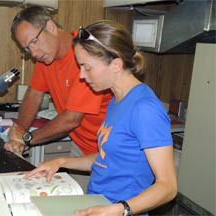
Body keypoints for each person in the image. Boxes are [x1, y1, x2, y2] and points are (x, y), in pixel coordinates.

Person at [24, 20, 178, 216]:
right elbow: (109, 158)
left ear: (116, 64)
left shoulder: (145, 109)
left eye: (87, 67)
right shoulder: (117, 101)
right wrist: (61, 162)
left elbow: (168, 186)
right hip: (97, 204)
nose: (81, 75)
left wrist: (119, 209)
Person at [4, 6, 112, 156]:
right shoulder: (46, 58)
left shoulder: (84, 55)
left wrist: (26, 138)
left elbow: (71, 119)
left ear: (51, 26)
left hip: (107, 151)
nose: (34, 53)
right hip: (80, 145)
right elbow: (33, 94)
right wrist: (19, 131)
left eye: (34, 42)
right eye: (27, 49)